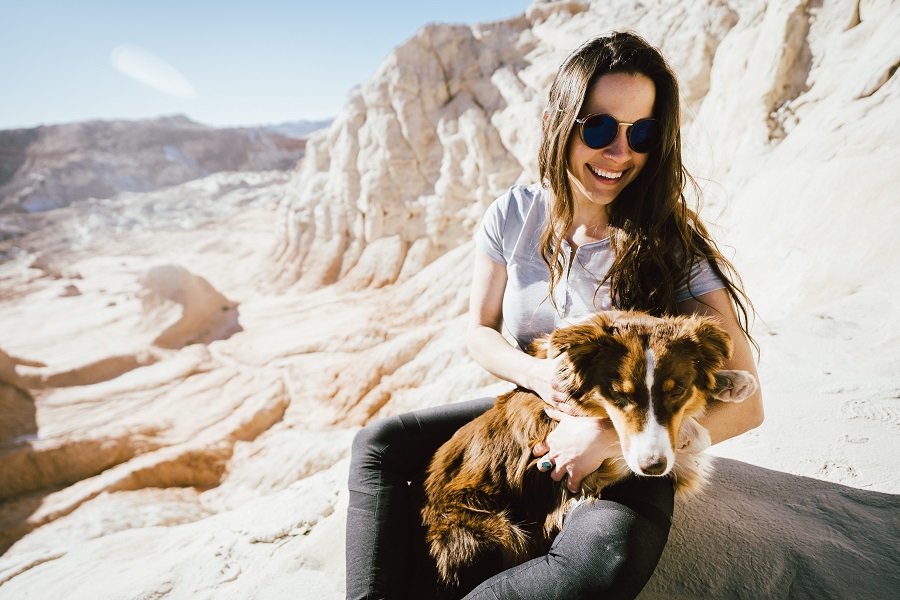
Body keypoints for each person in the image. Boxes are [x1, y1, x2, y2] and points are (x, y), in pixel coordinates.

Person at [345, 31, 764, 600]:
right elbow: (479, 332)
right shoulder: (513, 215)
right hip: (529, 410)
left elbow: (749, 406)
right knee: (381, 444)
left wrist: (606, 435)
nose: (620, 153)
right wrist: (537, 375)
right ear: (556, 123)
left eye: (640, 133)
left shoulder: (671, 243)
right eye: (598, 127)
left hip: (630, 442)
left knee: (601, 566)